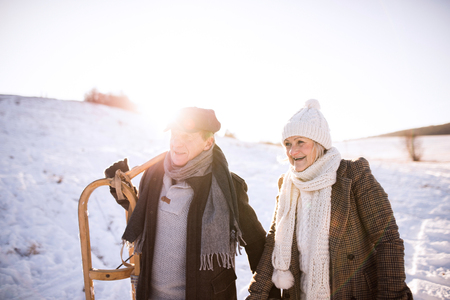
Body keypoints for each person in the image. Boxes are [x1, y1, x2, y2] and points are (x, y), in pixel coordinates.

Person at [247, 99, 413, 299]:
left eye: (301, 142)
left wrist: (391, 296)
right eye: (288, 144)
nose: (292, 152)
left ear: (319, 144)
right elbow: (275, 242)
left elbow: (388, 240)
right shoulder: (287, 185)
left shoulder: (353, 175)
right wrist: (256, 295)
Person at [105, 107, 267, 300]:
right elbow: (145, 215)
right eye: (174, 134)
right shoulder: (154, 175)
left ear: (208, 143)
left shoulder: (228, 187)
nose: (177, 143)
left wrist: (265, 294)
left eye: (188, 137)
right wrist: (122, 191)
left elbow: (257, 244)